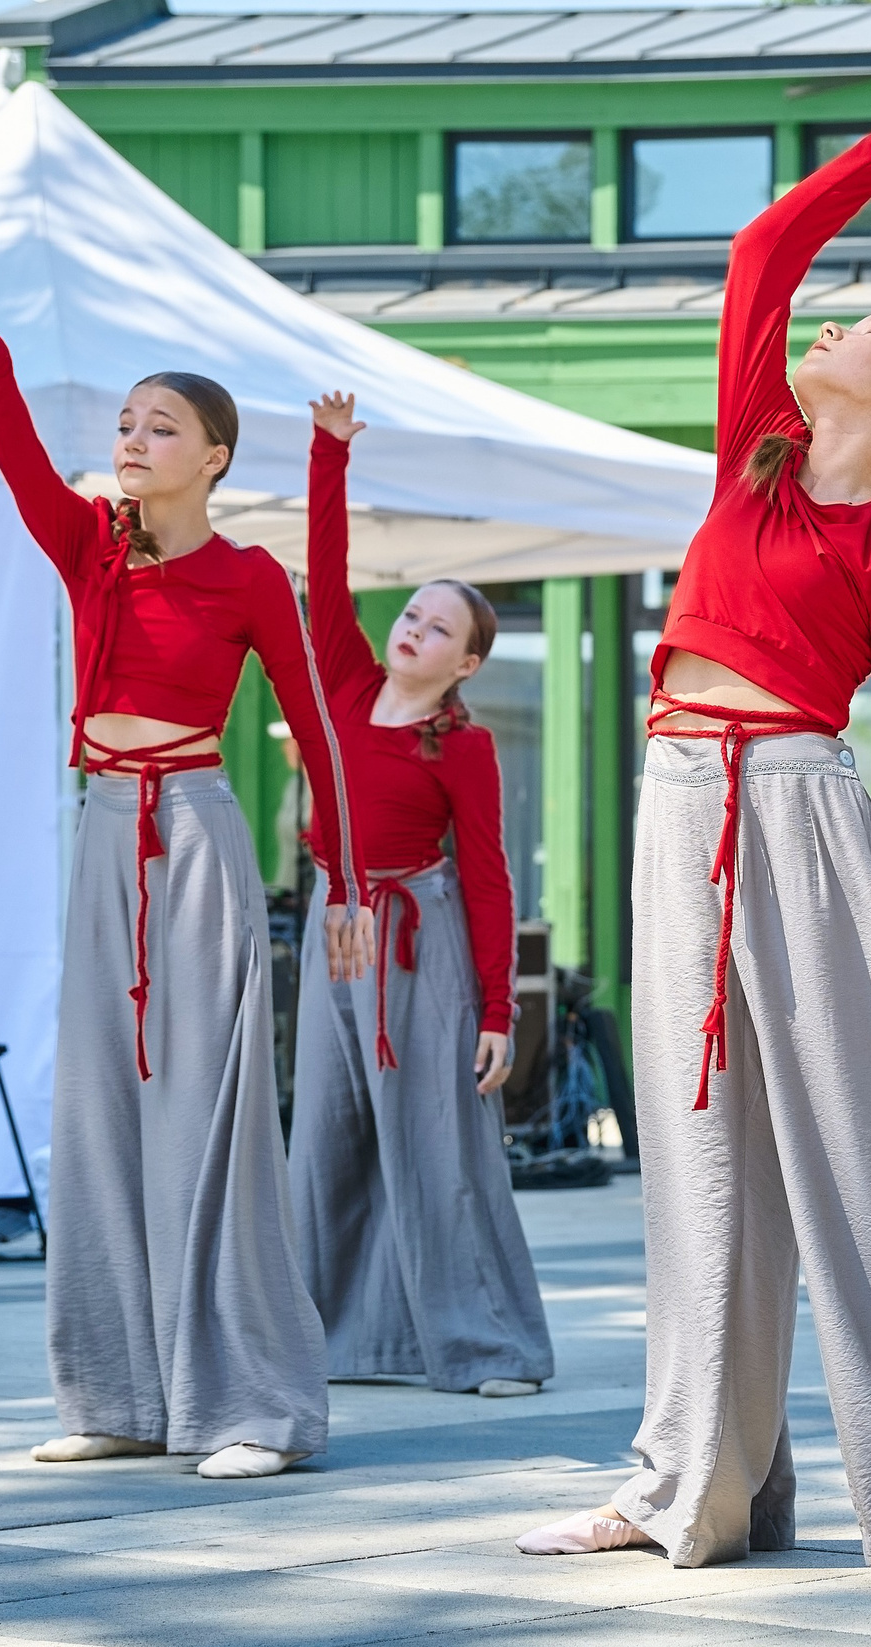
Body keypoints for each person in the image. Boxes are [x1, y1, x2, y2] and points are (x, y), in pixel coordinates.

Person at [514, 89, 871, 1600]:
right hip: (682, 801)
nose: (834, 325)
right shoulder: (751, 459)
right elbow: (765, 247)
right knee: (696, 1153)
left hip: (809, 813)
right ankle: (686, 1482)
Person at [0, 327, 369, 1480]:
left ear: (213, 458)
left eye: (163, 426)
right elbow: (19, 466)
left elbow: (318, 730)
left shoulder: (250, 576)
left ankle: (254, 1403)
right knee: (99, 1108)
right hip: (104, 830)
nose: (134, 440)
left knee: (210, 1114)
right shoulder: (89, 549)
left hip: (197, 834)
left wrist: (345, 884)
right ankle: (117, 1393)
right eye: (125, 423)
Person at [287, 389, 551, 1399]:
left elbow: (487, 875)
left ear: (466, 661)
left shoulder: (465, 745)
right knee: (325, 1137)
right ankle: (336, 1340)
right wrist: (330, 453)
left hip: (417, 930)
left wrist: (495, 1008)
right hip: (335, 923)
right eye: (411, 613)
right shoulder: (346, 685)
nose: (413, 629)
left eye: (438, 627)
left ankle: (490, 1348)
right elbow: (325, 572)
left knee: (437, 1138)